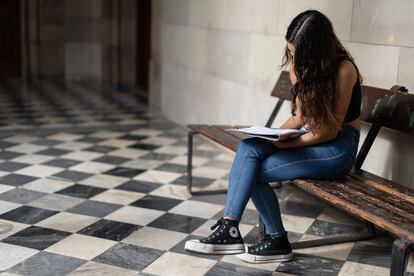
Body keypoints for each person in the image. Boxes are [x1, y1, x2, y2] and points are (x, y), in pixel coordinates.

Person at [184, 9, 362, 264]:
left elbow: (328, 131)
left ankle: (276, 240)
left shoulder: (344, 69)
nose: (294, 59)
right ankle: (231, 229)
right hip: (313, 138)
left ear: (317, 50)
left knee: (252, 169)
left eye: (299, 54)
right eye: (290, 52)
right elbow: (299, 117)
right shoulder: (301, 68)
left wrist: (285, 143)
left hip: (338, 150)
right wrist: (275, 136)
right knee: (250, 149)